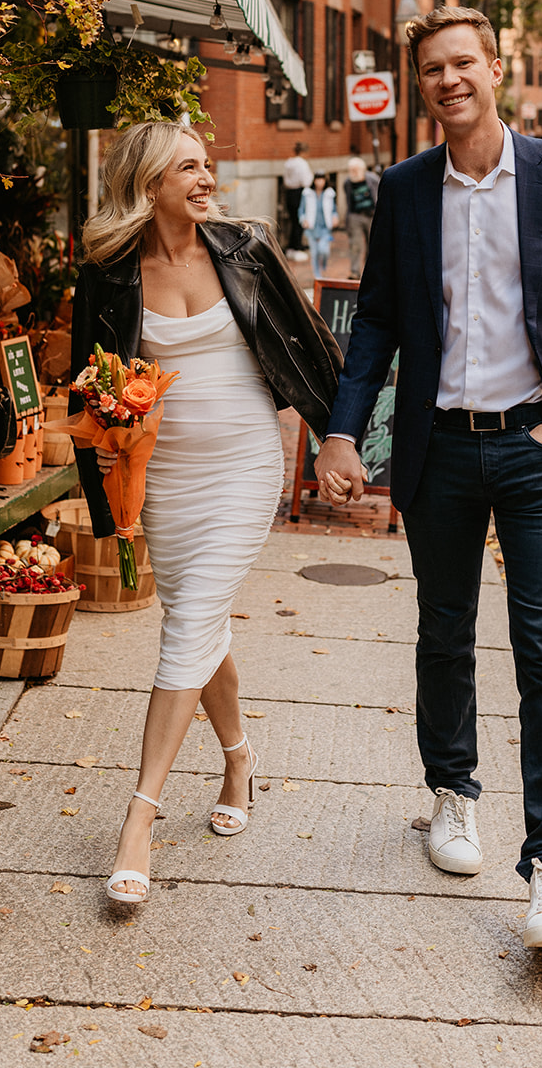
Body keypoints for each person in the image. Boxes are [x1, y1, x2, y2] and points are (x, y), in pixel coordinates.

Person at [314, 7, 542, 950]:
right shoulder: (404, 189)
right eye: (432, 70)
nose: (449, 80)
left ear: (497, 67)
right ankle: (452, 796)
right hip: (440, 449)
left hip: (540, 455)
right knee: (443, 632)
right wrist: (340, 433)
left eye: (464, 63)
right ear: (422, 86)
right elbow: (374, 324)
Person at [70, 122, 342, 905]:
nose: (204, 176)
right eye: (186, 167)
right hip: (165, 478)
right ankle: (238, 758)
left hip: (244, 463)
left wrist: (338, 439)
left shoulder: (246, 247)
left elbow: (308, 342)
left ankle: (138, 818)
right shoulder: (111, 272)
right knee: (200, 618)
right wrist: (107, 493)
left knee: (186, 624)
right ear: (149, 183)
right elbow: (92, 384)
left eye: (206, 163)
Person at [343, 156, 379, 278]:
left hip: (371, 215)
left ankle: (371, 272)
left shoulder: (373, 179)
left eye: (355, 170)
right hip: (355, 215)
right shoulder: (347, 183)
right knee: (355, 244)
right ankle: (355, 271)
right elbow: (348, 200)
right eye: (350, 170)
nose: (352, 173)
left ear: (362, 169)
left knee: (373, 245)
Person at [298, 172, 337, 279]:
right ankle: (317, 275)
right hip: (312, 227)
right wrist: (303, 220)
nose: (320, 182)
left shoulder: (329, 193)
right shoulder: (307, 193)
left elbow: (334, 209)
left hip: (325, 227)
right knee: (315, 253)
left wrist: (335, 217)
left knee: (324, 251)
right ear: (314, 180)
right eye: (318, 179)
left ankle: (323, 266)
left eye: (322, 179)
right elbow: (301, 210)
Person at [282, 142, 313, 259]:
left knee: (293, 219)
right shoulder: (302, 164)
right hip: (299, 192)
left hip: (289, 192)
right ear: (304, 152)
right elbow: (306, 181)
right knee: (299, 220)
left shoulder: (288, 163)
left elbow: (285, 180)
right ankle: (296, 246)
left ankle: (292, 245)